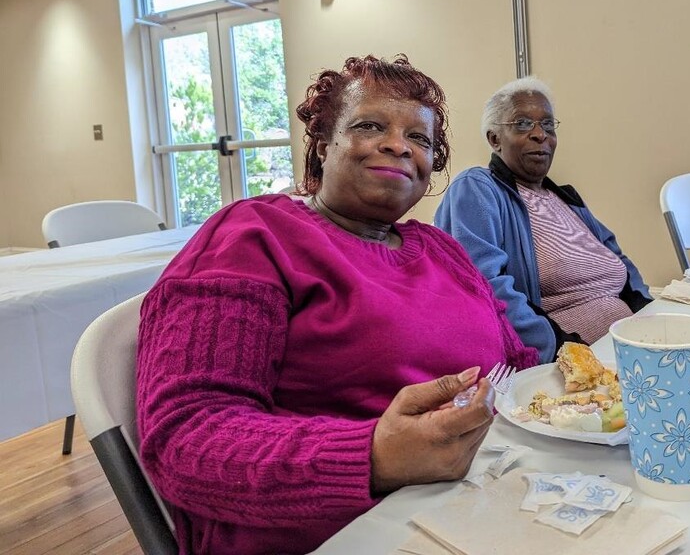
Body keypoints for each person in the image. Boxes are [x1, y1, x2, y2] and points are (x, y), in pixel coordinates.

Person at [135, 55, 538, 555]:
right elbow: (186, 437)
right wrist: (373, 457)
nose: (398, 145)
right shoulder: (254, 238)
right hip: (340, 528)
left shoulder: (441, 249)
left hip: (481, 495)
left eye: (420, 139)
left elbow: (518, 365)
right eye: (370, 126)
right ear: (324, 147)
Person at [434, 76, 651, 363]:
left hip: (630, 343)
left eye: (548, 125)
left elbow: (618, 258)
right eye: (523, 124)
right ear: (494, 139)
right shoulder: (477, 188)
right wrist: (564, 349)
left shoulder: (564, 197)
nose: (540, 134)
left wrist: (647, 310)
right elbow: (484, 285)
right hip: (571, 361)